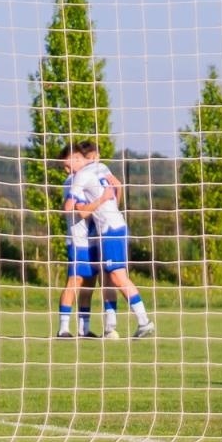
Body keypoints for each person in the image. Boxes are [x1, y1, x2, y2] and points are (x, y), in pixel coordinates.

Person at [69, 140, 154, 340]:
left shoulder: (81, 175)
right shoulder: (102, 167)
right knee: (108, 278)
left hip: (109, 228)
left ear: (80, 158)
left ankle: (144, 321)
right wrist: (113, 205)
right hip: (116, 224)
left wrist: (93, 206)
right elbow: (117, 185)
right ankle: (110, 328)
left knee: (116, 276)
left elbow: (73, 205)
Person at [55, 143, 100, 338]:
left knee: (89, 284)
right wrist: (102, 202)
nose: (66, 171)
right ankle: (63, 328)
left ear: (77, 159)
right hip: (78, 240)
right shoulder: (72, 182)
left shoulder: (88, 178)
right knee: (74, 281)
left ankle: (84, 329)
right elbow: (81, 211)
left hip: (92, 240)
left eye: (67, 166)